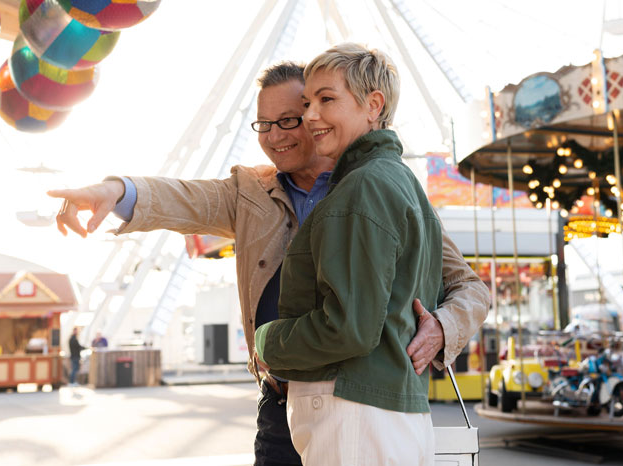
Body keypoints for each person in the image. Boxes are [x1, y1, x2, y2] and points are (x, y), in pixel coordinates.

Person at [49, 62, 489, 466]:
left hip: (357, 401)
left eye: (291, 119)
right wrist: (115, 191)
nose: (275, 135)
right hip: (282, 405)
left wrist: (443, 327)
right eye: (264, 124)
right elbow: (186, 198)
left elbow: (468, 286)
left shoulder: (375, 190)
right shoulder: (251, 192)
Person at [254, 43, 444, 465]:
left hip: (353, 415)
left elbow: (350, 329)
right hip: (389, 410)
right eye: (307, 103)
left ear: (373, 105)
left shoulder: (362, 188)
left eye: (326, 99)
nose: (310, 116)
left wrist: (268, 342)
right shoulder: (402, 183)